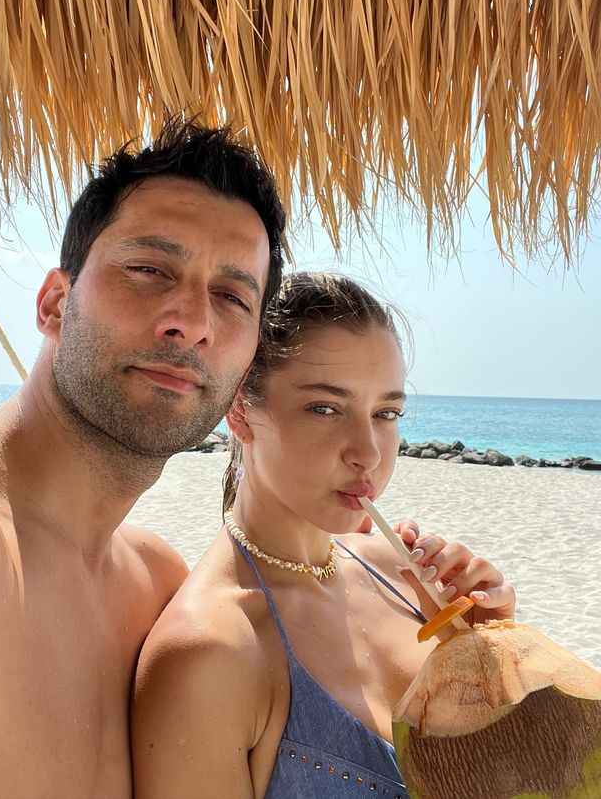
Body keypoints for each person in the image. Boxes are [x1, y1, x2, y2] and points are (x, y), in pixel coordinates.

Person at [0, 118, 285, 799]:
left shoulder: (156, 584)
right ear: (54, 304)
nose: (192, 322)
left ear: (245, 368)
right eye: (149, 270)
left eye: (231, 296)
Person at [133, 272, 516, 799]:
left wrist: (495, 650)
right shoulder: (212, 653)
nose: (369, 452)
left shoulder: (404, 575)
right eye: (326, 408)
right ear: (240, 409)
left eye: (386, 413)